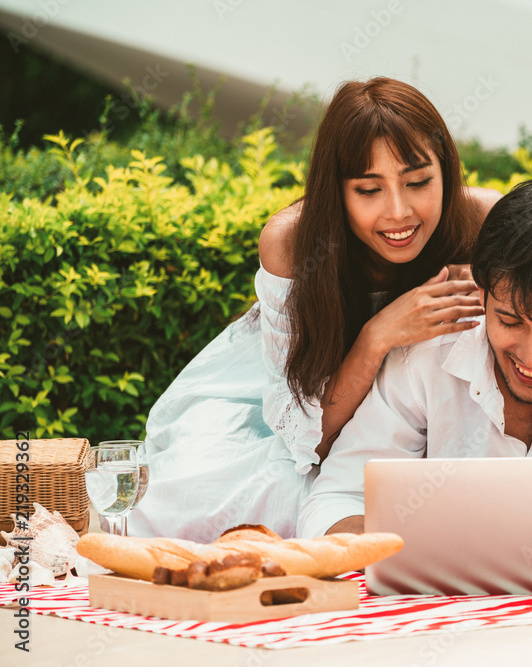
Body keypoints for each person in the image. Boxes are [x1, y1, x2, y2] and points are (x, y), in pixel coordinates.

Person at [129, 77, 502, 542]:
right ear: (336, 190)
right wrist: (378, 335)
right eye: (369, 190)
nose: (399, 212)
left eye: (419, 182)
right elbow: (313, 441)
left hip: (415, 401)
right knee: (272, 494)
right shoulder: (291, 242)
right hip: (281, 397)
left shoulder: (485, 221)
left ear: (446, 170)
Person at [297, 177, 532, 568]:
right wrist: (435, 550)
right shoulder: (428, 344)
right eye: (510, 321)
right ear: (481, 293)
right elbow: (335, 501)